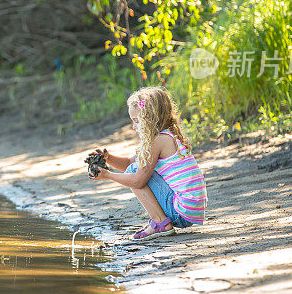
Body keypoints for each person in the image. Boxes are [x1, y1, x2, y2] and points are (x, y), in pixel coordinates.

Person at [89, 86, 207, 241]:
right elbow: (130, 163)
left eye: (137, 121)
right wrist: (108, 158)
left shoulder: (157, 141)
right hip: (191, 210)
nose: (134, 127)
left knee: (135, 172)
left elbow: (137, 179)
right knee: (134, 168)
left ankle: (161, 223)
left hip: (182, 210)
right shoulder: (165, 137)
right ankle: (160, 221)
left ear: (151, 119)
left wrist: (108, 175)